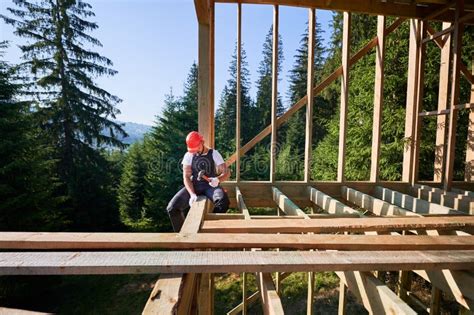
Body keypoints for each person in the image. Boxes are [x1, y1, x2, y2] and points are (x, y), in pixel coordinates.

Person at [166, 131, 230, 232]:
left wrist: (217, 179)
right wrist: (192, 194)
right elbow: (186, 177)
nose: (195, 151)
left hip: (210, 186)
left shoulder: (214, 153)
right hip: (194, 185)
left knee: (223, 202)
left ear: (202, 142)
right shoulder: (189, 155)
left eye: (197, 148)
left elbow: (227, 173)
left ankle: (210, 231)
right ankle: (184, 239)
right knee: (172, 208)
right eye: (193, 150)